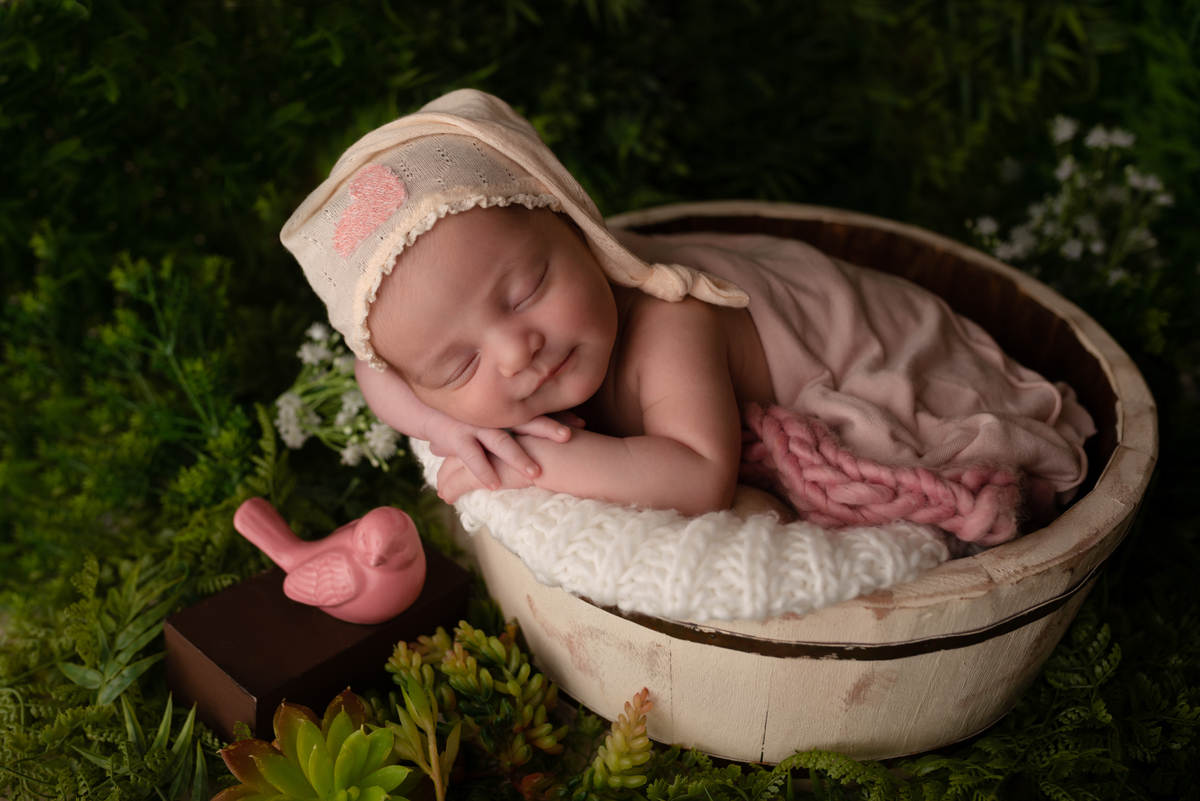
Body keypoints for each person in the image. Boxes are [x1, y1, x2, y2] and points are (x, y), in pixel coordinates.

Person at [281, 89, 1093, 539]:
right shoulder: (438, 343)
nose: (517, 348)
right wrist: (450, 424)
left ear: (575, 228)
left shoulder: (670, 325)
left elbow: (697, 475)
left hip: (864, 342)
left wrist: (536, 461)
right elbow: (374, 365)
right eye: (458, 367)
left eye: (526, 290)